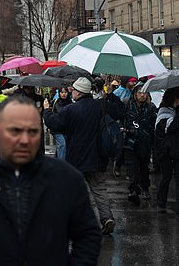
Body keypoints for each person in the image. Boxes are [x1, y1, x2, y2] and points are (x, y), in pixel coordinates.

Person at [0, 96, 102, 265]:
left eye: (32, 131)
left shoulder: (67, 179)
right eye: (15, 131)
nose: (25, 140)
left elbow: (88, 235)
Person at [43, 76, 123, 235]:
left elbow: (54, 123)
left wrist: (46, 110)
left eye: (74, 90)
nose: (72, 92)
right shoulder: (101, 105)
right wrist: (110, 94)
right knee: (99, 189)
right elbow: (120, 110)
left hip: (77, 158)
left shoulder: (71, 110)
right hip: (99, 156)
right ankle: (106, 218)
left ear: (79, 93)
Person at [155, 86, 179, 220]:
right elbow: (173, 126)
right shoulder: (163, 112)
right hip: (166, 152)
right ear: (174, 98)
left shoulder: (177, 110)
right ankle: (161, 203)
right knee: (166, 177)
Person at [123, 82, 157, 205]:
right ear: (135, 94)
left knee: (143, 167)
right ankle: (133, 191)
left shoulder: (151, 107)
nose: (142, 95)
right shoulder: (127, 104)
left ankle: (145, 187)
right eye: (140, 92)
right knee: (132, 168)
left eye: (144, 93)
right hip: (130, 142)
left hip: (144, 142)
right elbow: (120, 119)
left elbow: (155, 124)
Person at [50, 87, 72, 160]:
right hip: (57, 128)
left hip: (66, 129)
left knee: (61, 146)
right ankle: (61, 166)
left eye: (65, 92)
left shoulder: (71, 103)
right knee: (62, 144)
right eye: (62, 92)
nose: (64, 94)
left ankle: (56, 162)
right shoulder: (55, 102)